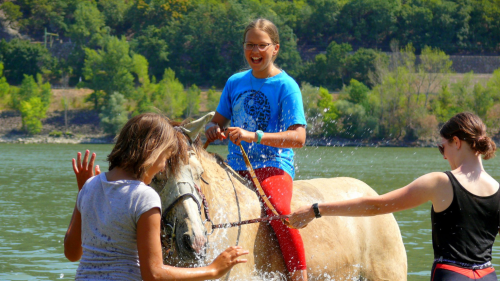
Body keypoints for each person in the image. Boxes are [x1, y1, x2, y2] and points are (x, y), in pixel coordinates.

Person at [289, 112, 499, 281]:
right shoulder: (497, 189)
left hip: (453, 275)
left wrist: (316, 210)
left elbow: (376, 206)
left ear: (456, 142)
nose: (444, 156)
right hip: (488, 275)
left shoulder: (441, 182)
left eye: (442, 147)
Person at [64, 113, 248, 280]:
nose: (162, 167)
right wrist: (213, 269)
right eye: (166, 159)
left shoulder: (89, 186)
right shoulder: (144, 197)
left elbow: (72, 253)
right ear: (152, 150)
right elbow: (153, 274)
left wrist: (83, 193)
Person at [204, 18, 308, 281]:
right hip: (233, 169)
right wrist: (212, 129)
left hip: (272, 167)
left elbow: (299, 137)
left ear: (275, 49)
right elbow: (217, 120)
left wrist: (254, 136)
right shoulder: (234, 82)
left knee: (279, 213)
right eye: (250, 45)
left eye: (262, 45)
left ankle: (299, 275)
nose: (255, 51)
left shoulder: (287, 86)